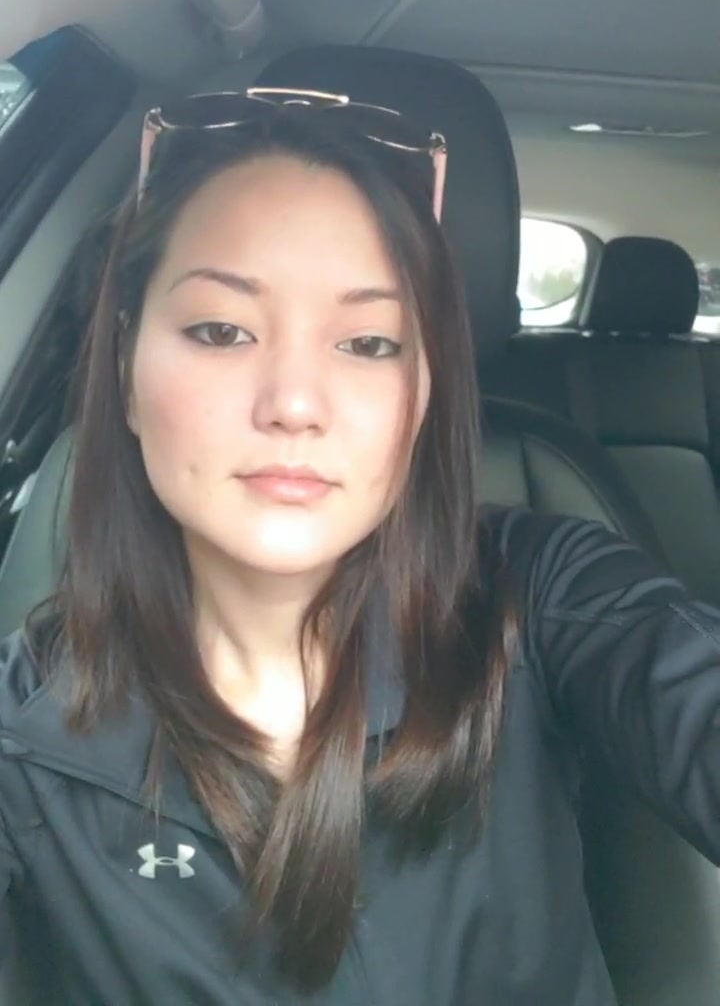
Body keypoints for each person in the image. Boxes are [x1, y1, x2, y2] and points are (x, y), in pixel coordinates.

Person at [0, 88, 718, 1005]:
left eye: (369, 343)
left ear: (421, 398)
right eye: (221, 330)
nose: (295, 404)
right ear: (126, 373)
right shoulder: (24, 732)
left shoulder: (541, 596)